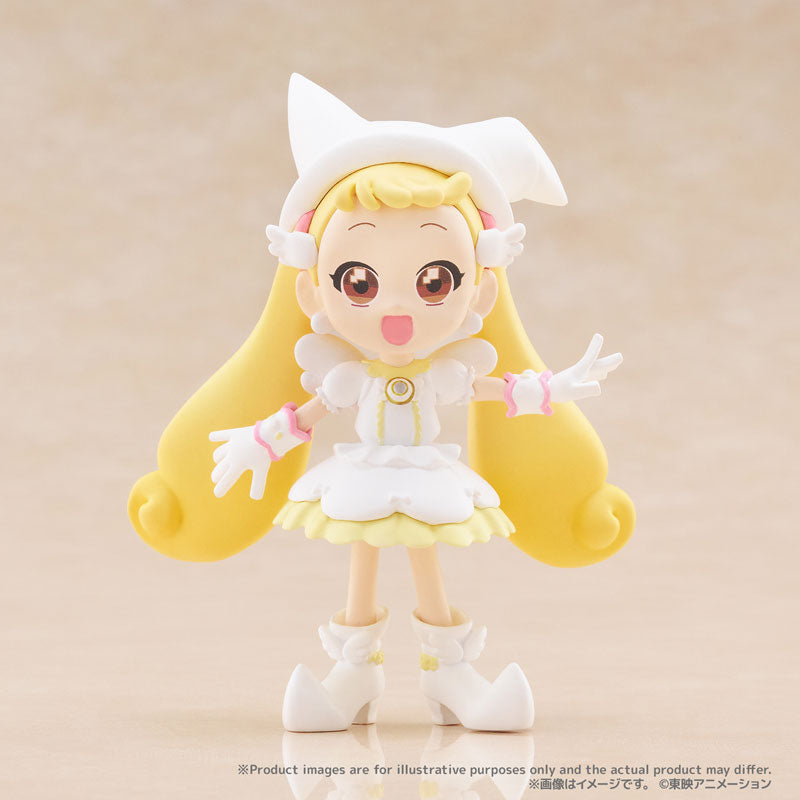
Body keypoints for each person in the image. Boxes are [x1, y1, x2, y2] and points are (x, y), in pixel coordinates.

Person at [129, 74, 635, 733]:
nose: (397, 311)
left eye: (435, 281)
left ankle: (449, 674)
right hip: (363, 476)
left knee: (424, 558)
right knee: (363, 561)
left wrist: (553, 389)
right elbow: (309, 413)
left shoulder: (445, 370)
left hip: (426, 477)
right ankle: (353, 674)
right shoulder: (347, 375)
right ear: (313, 290)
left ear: (480, 290)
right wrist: (259, 441)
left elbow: (495, 390)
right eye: (359, 282)